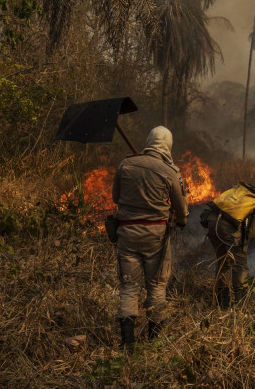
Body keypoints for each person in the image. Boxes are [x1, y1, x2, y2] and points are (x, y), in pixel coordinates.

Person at [112, 126, 188, 349]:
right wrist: (181, 220)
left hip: (126, 233)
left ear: (148, 140)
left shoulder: (126, 164)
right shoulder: (170, 171)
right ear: (168, 145)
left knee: (129, 286)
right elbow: (181, 209)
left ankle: (128, 343)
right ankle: (154, 340)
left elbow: (116, 197)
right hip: (156, 236)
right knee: (156, 285)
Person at [199, 181, 255, 308]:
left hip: (212, 222)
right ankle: (240, 304)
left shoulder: (242, 189)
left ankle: (222, 302)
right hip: (228, 228)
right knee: (239, 264)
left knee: (223, 262)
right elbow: (253, 232)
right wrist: (243, 247)